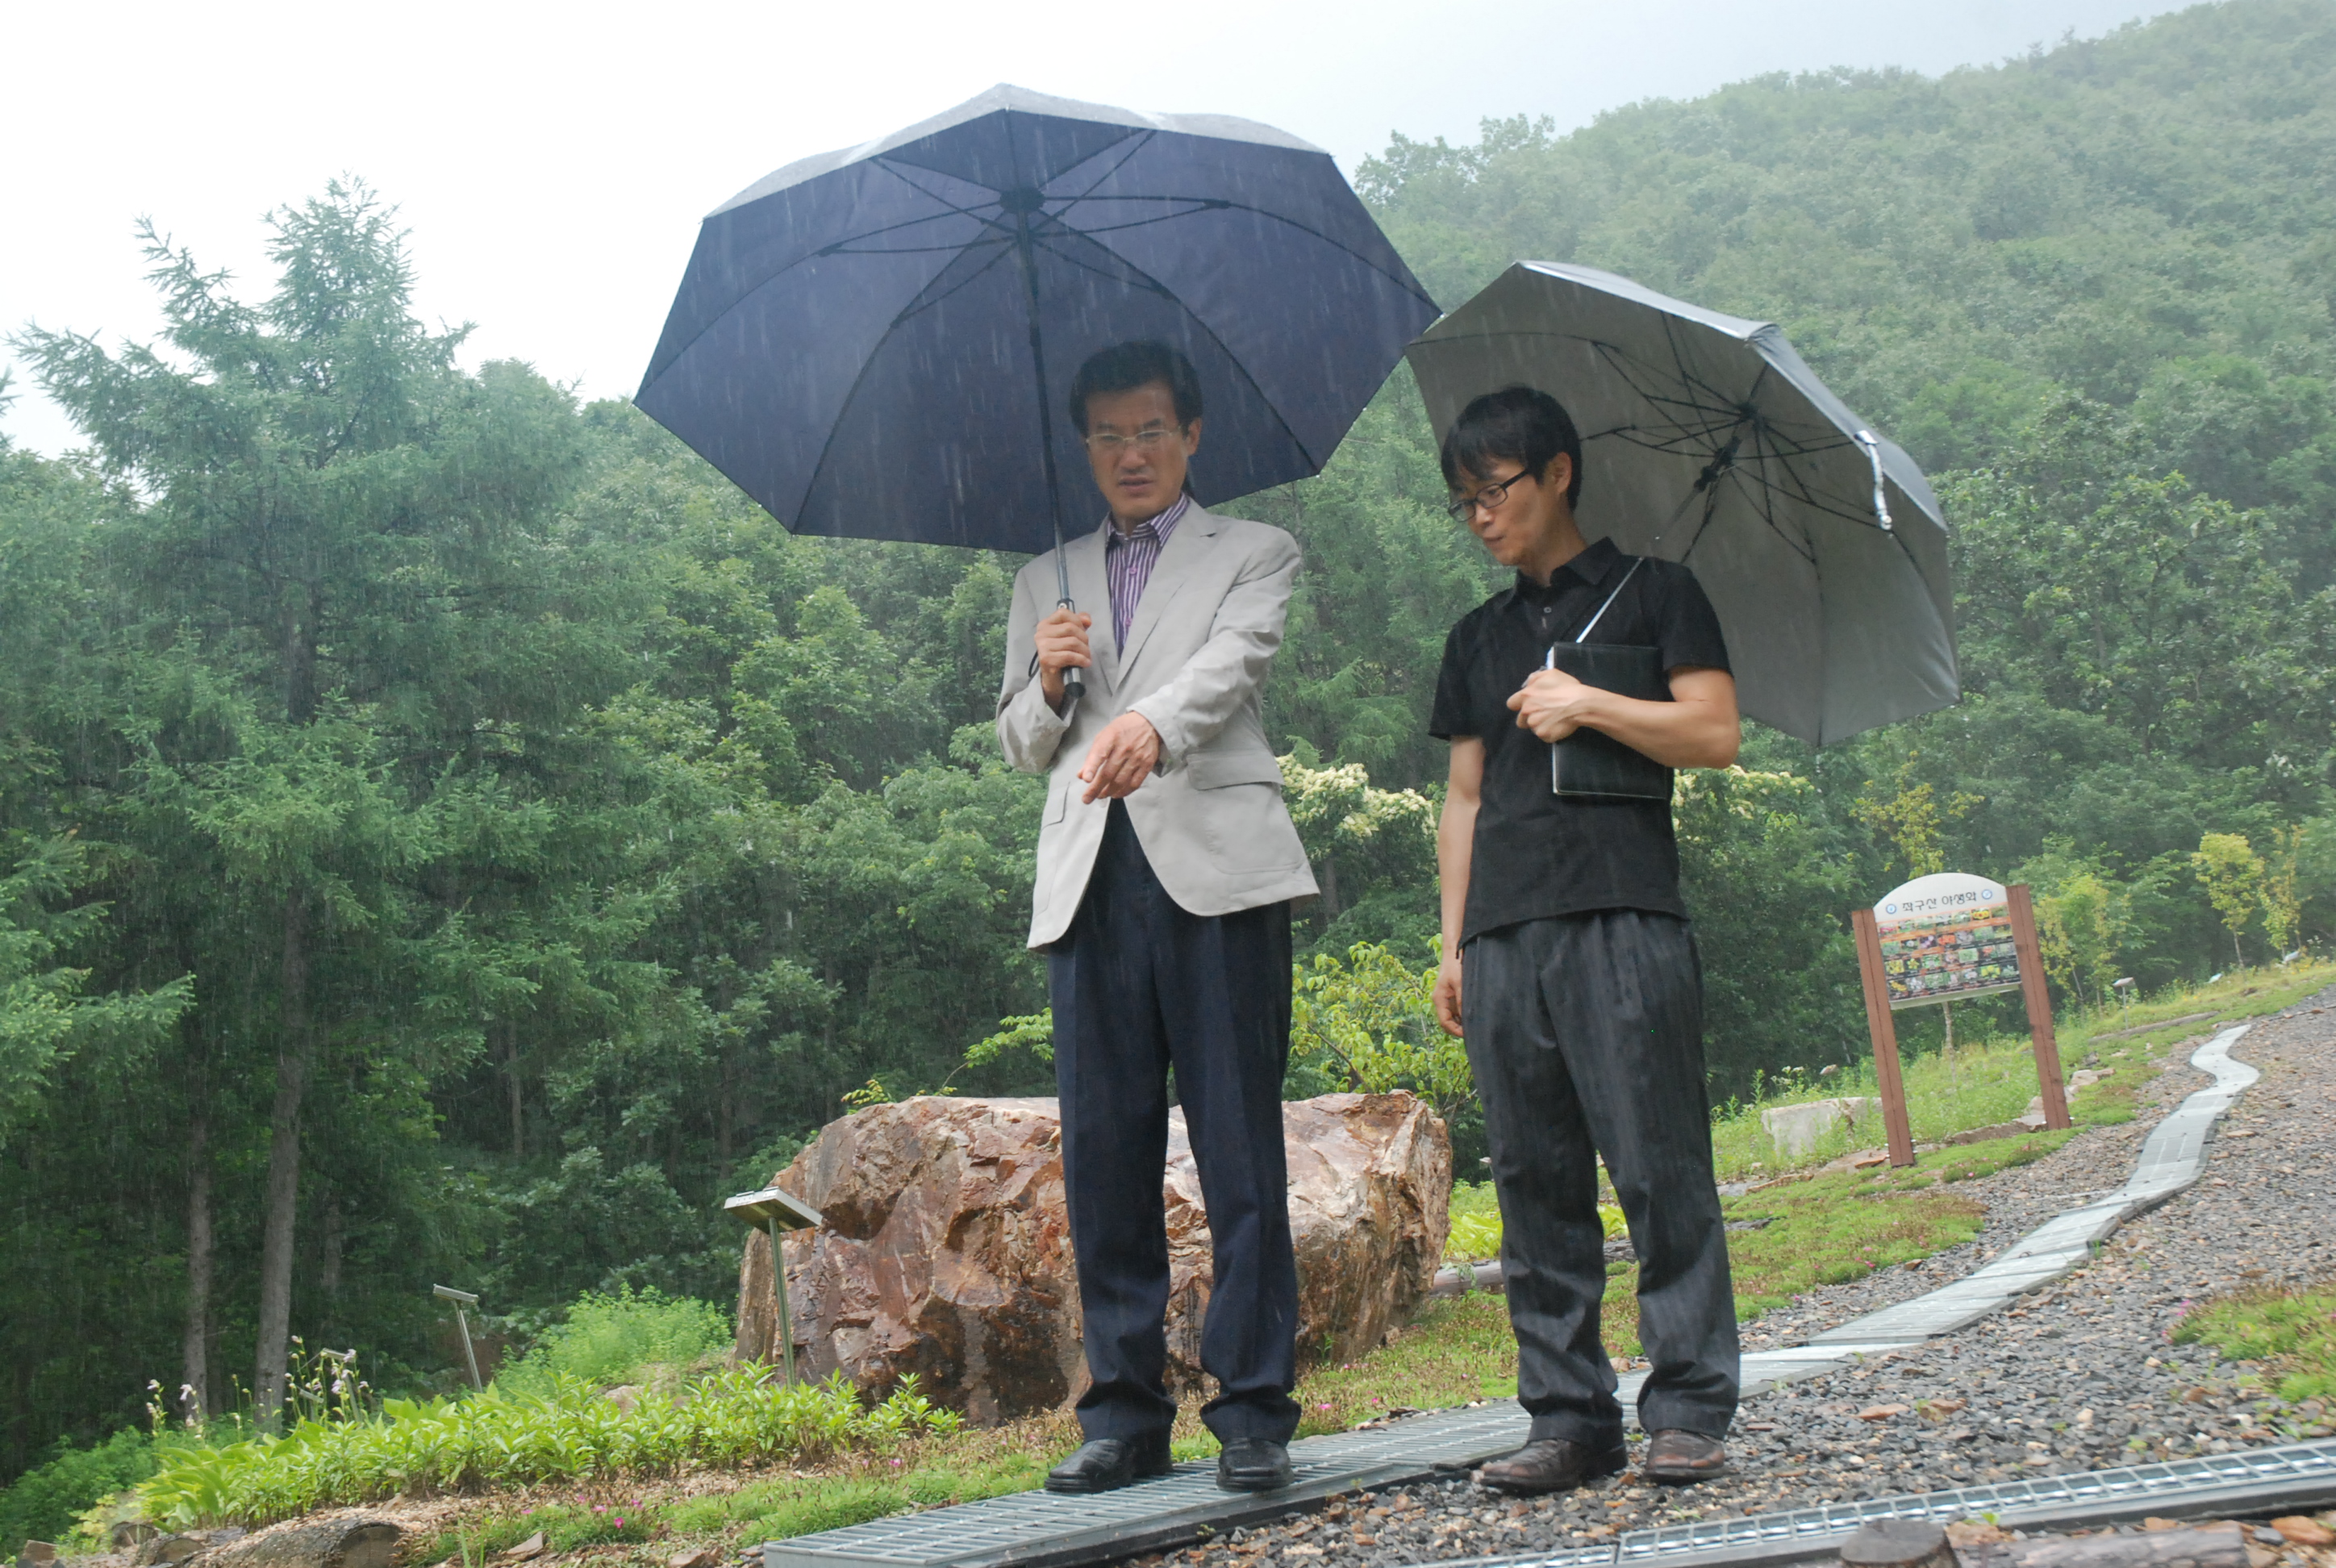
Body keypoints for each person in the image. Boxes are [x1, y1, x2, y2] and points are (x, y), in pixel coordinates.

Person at [996, 340, 1318, 1496]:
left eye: (1149, 431)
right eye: (1107, 435)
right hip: (1090, 879)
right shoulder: (1046, 580)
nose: (1129, 453)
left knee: (1239, 1146)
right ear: (1083, 446)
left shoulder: (1255, 550)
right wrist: (1049, 681)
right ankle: (1125, 1416)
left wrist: (1152, 723)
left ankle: (1254, 1409)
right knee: (1104, 1156)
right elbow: (1019, 742)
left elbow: (1237, 664)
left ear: (1190, 435)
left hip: (1218, 873)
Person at [1427, 385, 1744, 1493]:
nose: (1480, 514)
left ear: (1558, 472)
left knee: (1661, 1166)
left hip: (1625, 914)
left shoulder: (1659, 594)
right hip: (1505, 932)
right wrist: (1452, 944)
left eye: (1495, 489)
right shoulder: (1477, 638)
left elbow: (1714, 732)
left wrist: (1590, 704)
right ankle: (1569, 1419)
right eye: (1464, 499)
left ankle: (1688, 1407)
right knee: (1533, 1183)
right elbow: (1464, 797)